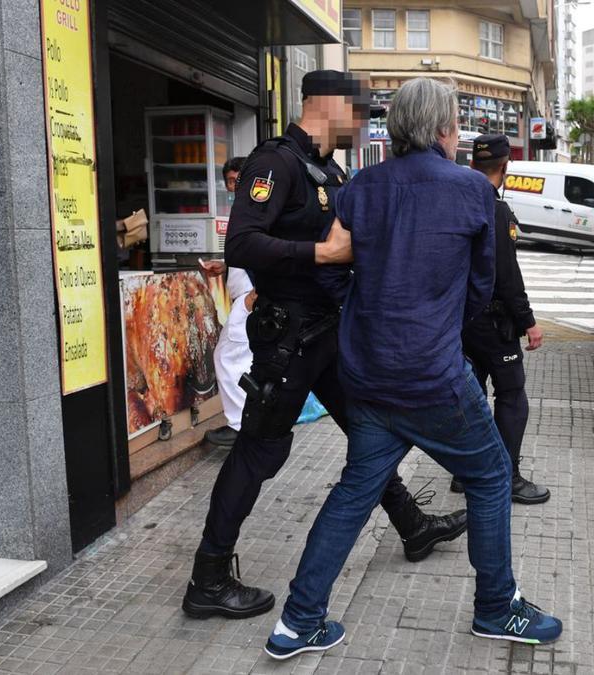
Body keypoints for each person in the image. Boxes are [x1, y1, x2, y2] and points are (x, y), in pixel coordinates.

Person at [264, 77, 562, 660]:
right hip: (433, 376)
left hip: (368, 374)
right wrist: (440, 322)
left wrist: (360, 309)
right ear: (443, 129)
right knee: (493, 475)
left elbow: (329, 264)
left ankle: (297, 623)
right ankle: (497, 607)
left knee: (355, 489)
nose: (457, 134)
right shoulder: (473, 191)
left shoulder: (362, 187)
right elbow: (481, 285)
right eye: (454, 125)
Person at [182, 70, 467, 622]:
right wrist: (321, 256)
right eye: (357, 111)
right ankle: (208, 578)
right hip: (288, 341)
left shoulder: (329, 170)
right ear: (328, 103)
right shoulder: (277, 161)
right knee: (260, 451)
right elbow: (241, 242)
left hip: (328, 334)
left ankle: (411, 525)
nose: (362, 124)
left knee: (372, 432)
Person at [450, 134, 548, 504]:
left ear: (473, 164)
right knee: (512, 394)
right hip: (494, 324)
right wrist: (529, 322)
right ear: (505, 168)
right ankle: (507, 476)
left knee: (471, 395)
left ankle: (465, 472)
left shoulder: (458, 202)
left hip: (461, 321)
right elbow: (507, 275)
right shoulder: (497, 210)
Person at [201, 156, 257, 448]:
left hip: (250, 298)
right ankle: (249, 424)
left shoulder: (256, 208)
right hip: (246, 296)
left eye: (238, 180)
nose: (234, 186)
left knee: (227, 357)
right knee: (239, 360)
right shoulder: (244, 207)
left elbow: (266, 251)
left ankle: (240, 427)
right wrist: (225, 266)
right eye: (230, 181)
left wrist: (254, 295)